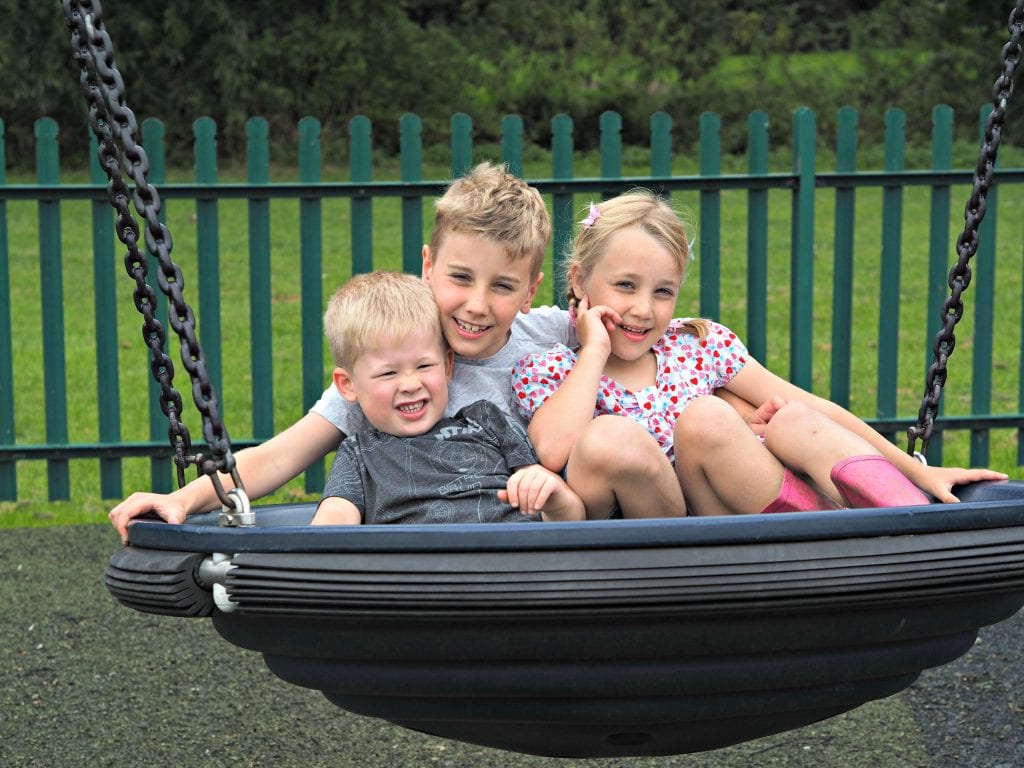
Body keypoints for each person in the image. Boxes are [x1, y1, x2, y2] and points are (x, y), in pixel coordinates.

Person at [110, 162, 679, 541]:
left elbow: (646, 330)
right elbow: (281, 456)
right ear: (429, 265)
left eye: (503, 287)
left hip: (559, 530)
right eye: (460, 277)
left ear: (530, 292)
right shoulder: (398, 355)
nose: (477, 305)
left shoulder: (551, 332)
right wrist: (183, 500)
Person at [512, 190, 1007, 517]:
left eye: (663, 292)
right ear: (578, 279)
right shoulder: (554, 369)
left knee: (790, 418)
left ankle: (906, 515)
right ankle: (835, 543)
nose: (643, 310)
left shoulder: (696, 346)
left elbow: (815, 408)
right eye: (625, 286)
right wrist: (595, 349)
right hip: (685, 538)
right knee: (683, 421)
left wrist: (918, 467)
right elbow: (556, 449)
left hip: (753, 500)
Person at [312, 271, 583, 525]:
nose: (410, 384)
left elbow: (569, 517)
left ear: (447, 366)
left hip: (510, 558)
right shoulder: (360, 455)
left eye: (424, 366)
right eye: (388, 373)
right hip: (422, 567)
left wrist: (552, 495)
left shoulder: (487, 421)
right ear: (348, 386)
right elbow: (334, 522)